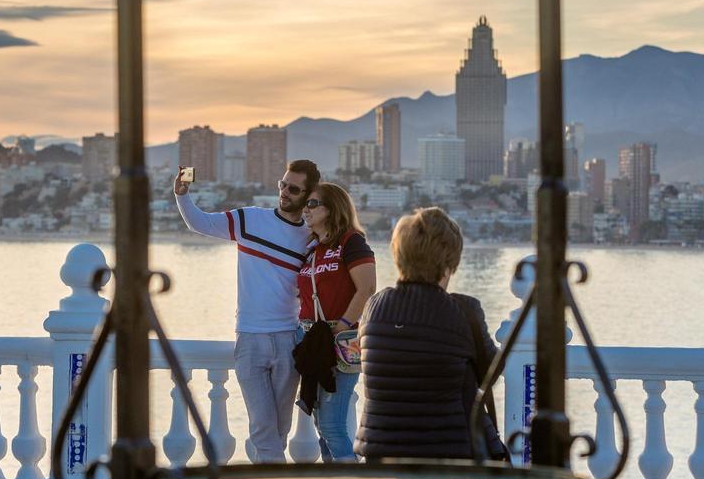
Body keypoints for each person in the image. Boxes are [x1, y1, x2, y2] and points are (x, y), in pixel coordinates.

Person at [175, 160, 320, 463]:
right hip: (250, 340)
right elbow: (200, 223)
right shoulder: (249, 219)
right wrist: (182, 195)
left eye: (293, 188)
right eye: (283, 184)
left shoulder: (311, 238)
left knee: (279, 430)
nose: (284, 192)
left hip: (289, 341)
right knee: (263, 430)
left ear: (307, 195)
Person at [354, 207, 507, 461]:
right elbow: (489, 374)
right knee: (463, 373)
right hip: (448, 454)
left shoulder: (374, 307)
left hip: (380, 451)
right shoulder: (463, 310)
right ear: (449, 262)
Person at [296, 182, 376, 462]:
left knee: (331, 424)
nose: (305, 208)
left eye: (313, 203)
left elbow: (366, 288)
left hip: (342, 342)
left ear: (333, 209)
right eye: (305, 203)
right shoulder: (311, 248)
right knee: (321, 424)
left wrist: (341, 325)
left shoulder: (351, 241)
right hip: (312, 341)